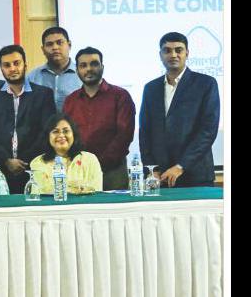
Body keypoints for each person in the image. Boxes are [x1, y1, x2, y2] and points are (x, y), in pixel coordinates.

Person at [139, 31, 221, 188]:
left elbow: (208, 131)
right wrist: (151, 169)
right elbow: (145, 132)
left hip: (195, 176)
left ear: (187, 53)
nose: (173, 55)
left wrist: (181, 166)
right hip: (160, 177)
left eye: (178, 50)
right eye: (167, 50)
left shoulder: (206, 84)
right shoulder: (150, 88)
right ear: (160, 55)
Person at [0, 45, 56, 194]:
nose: (12, 68)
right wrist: (6, 160)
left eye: (16, 63)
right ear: (1, 69)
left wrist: (23, 162)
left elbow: (46, 132)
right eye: (7, 65)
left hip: (35, 167)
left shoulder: (43, 94)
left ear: (25, 65)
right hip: (0, 168)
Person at [62, 47, 135, 190]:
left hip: (113, 171)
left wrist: (97, 164)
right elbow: (67, 136)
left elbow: (124, 135)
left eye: (94, 64)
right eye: (83, 65)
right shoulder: (70, 100)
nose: (89, 69)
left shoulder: (120, 96)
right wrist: (79, 163)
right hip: (79, 171)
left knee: (114, 205)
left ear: (102, 67)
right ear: (77, 70)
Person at [30, 114, 103, 195]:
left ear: (73, 134)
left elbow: (96, 191)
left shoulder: (90, 159)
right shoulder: (39, 162)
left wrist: (62, 189)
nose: (61, 135)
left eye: (66, 131)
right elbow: (39, 192)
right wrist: (76, 188)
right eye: (55, 131)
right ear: (48, 136)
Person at [28, 26, 82, 111]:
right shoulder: (32, 77)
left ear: (69, 45)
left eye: (59, 43)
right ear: (43, 50)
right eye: (49, 44)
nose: (55, 47)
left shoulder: (82, 75)